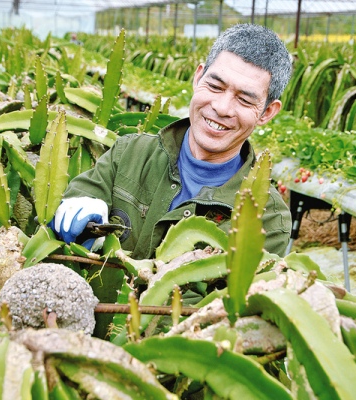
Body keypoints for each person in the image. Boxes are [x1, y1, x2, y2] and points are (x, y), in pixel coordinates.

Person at [52, 24, 293, 258]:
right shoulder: (129, 153)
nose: (221, 108)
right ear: (198, 77)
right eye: (215, 86)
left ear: (267, 112)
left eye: (244, 99)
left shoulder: (267, 217)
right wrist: (79, 208)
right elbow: (81, 194)